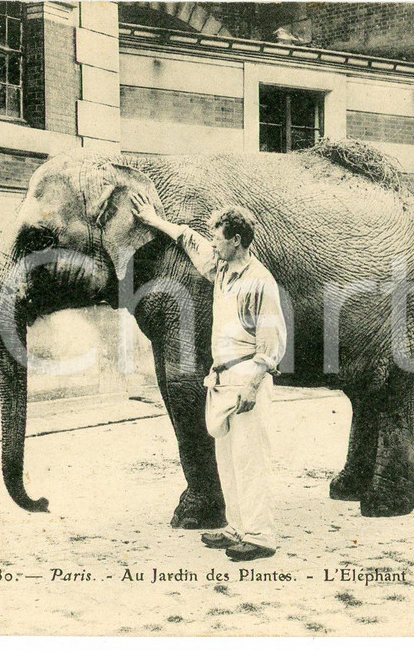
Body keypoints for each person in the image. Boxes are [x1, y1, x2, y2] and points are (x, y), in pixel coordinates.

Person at [129, 192, 286, 562]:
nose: (213, 243)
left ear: (237, 240)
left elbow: (273, 341)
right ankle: (236, 528)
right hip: (222, 378)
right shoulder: (221, 270)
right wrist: (152, 219)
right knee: (228, 460)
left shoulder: (260, 281)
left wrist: (253, 384)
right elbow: (188, 238)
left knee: (250, 461)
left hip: (247, 378)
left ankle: (261, 536)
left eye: (218, 238)